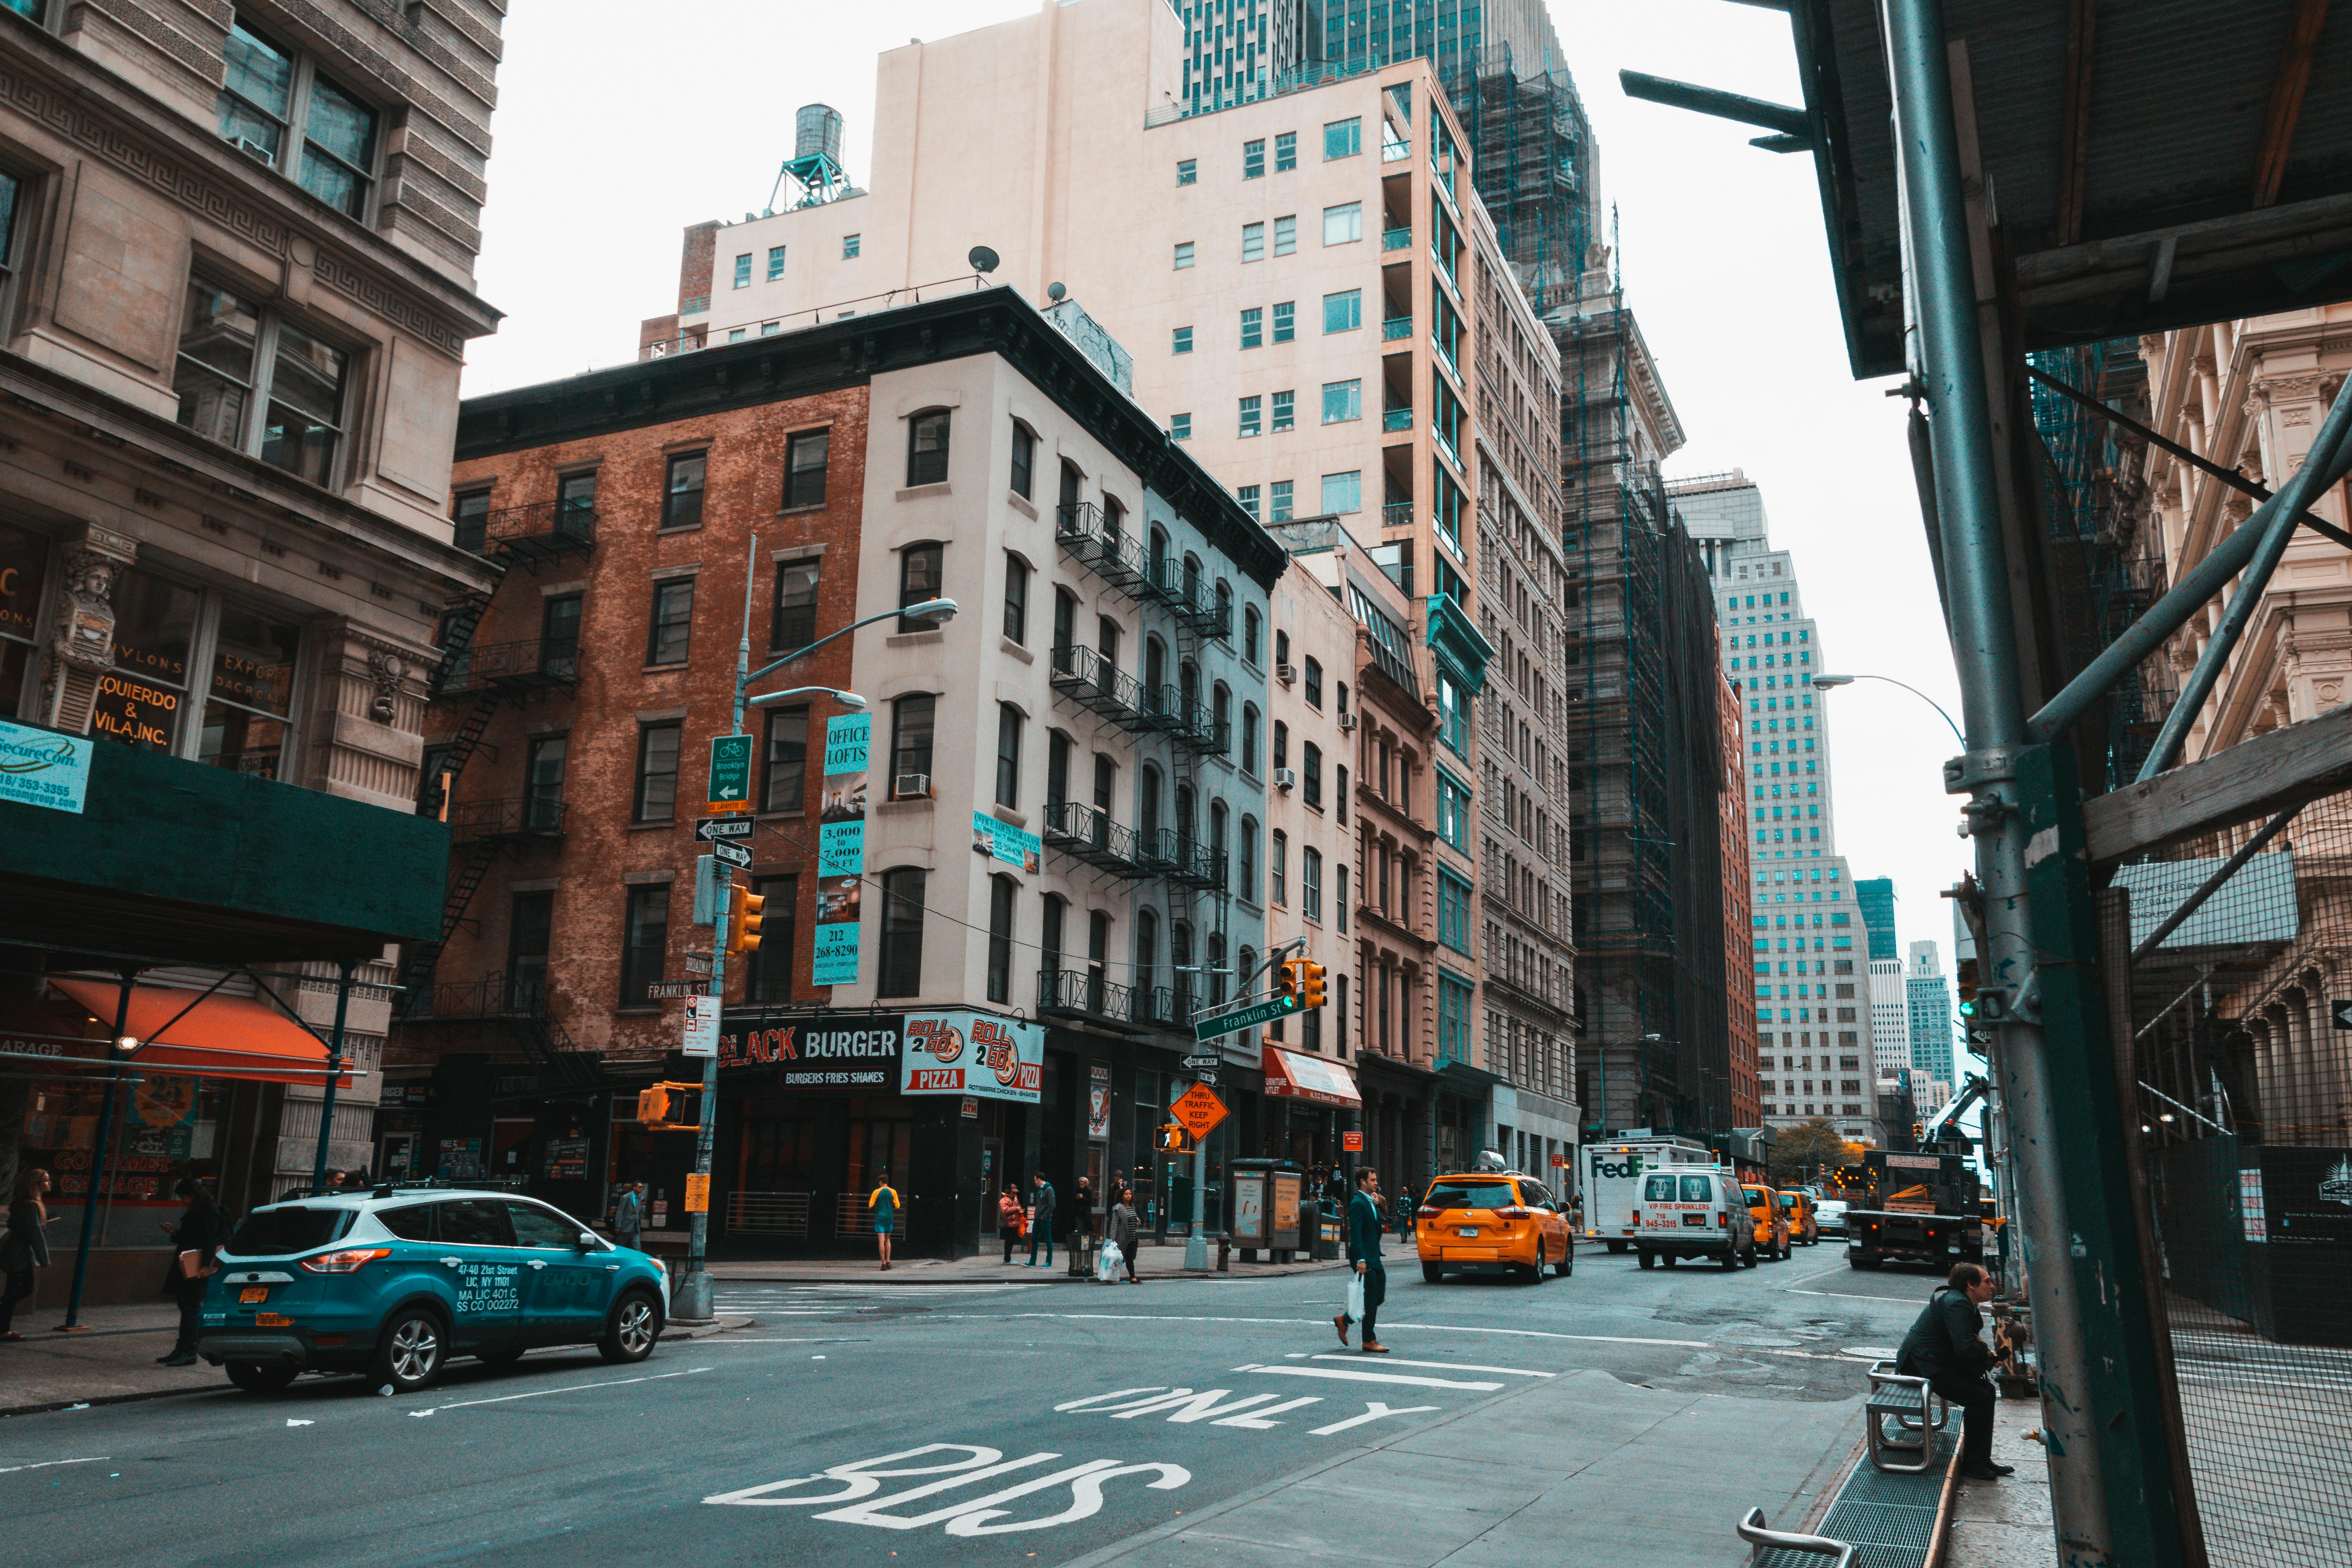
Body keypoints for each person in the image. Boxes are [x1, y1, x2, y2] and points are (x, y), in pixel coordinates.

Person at [1897, 1261, 2013, 1481]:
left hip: (1937, 1361)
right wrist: (1985, 1353)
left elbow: (1967, 1341)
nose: (1992, 1285)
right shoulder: (1956, 1304)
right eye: (1987, 1281)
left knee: (1986, 1392)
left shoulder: (1967, 1303)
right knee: (1978, 1397)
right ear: (1971, 1284)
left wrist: (1985, 1354)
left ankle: (1981, 1459)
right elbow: (1965, 1348)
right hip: (1922, 1365)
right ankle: (1973, 1464)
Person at [158, 1176, 223, 1367]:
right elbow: (191, 1237)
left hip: (196, 1264)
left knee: (190, 1307)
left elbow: (210, 1239)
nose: (182, 1201)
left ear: (194, 1195)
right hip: (187, 1261)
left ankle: (189, 1350)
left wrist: (205, 1265)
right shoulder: (197, 1211)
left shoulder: (208, 1211)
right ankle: (182, 1348)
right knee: (186, 1305)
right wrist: (174, 1233)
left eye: (184, 1197)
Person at [1334, 1166, 1388, 1355]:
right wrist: (1361, 1259)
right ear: (1363, 1182)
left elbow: (1377, 1227)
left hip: (1375, 1256)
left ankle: (1345, 1320)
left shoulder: (1371, 1201)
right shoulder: (1358, 1203)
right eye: (1373, 1180)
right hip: (1365, 1258)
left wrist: (1379, 1205)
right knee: (1372, 1299)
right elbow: (1356, 1234)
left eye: (1376, 1180)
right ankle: (1369, 1340)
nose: (1376, 1183)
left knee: (1378, 1297)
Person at [1, 1167, 55, 1342]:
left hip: (14, 1250)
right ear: (36, 1185)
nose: (49, 1183)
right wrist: (44, 1259)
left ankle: (4, 1329)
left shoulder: (21, 1203)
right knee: (23, 1288)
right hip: (19, 1253)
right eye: (46, 1180)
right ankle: (3, 1323)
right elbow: (35, 1235)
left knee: (13, 1288)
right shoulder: (32, 1206)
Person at [867, 1169, 900, 1271]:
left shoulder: (877, 1192)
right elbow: (898, 1206)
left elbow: (871, 1205)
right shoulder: (893, 1192)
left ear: (881, 1182)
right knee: (888, 1240)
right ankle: (889, 1261)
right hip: (889, 1217)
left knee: (881, 1240)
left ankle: (883, 1264)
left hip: (880, 1218)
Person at [1107, 1186, 1141, 1284]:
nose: (1128, 1196)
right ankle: (1109, 1277)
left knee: (1130, 1258)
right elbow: (1114, 1224)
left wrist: (1138, 1222)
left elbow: (1135, 1217)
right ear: (1122, 1196)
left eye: (1130, 1194)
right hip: (1121, 1238)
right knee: (1117, 1258)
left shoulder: (1132, 1206)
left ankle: (1133, 1278)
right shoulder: (1119, 1208)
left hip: (1132, 1237)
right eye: (1126, 1194)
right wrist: (1112, 1238)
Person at [1028, 1169, 1057, 1268]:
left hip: (1045, 1219)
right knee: (1034, 1239)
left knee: (1048, 1240)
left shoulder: (1049, 1190)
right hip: (1038, 1219)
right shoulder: (1041, 1190)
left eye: (1035, 1180)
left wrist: (1044, 1217)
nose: (1034, 1182)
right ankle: (1032, 1261)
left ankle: (1049, 1262)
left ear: (1039, 1179)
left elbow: (1052, 1205)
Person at [998, 1183, 1025, 1264]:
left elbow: (1018, 1206)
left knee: (1012, 1241)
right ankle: (1007, 1259)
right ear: (1009, 1191)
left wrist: (1020, 1210)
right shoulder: (1004, 1200)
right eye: (1013, 1192)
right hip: (1008, 1224)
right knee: (1009, 1242)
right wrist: (1016, 1208)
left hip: (1015, 1224)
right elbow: (1005, 1211)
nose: (1015, 1193)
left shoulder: (1015, 1199)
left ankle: (1008, 1259)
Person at [614, 1182, 644, 1250]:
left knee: (637, 1248)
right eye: (640, 1187)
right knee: (620, 1246)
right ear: (634, 1188)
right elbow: (620, 1212)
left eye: (642, 1187)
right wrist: (618, 1226)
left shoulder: (639, 1199)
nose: (642, 1189)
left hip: (635, 1228)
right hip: (625, 1226)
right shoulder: (626, 1197)